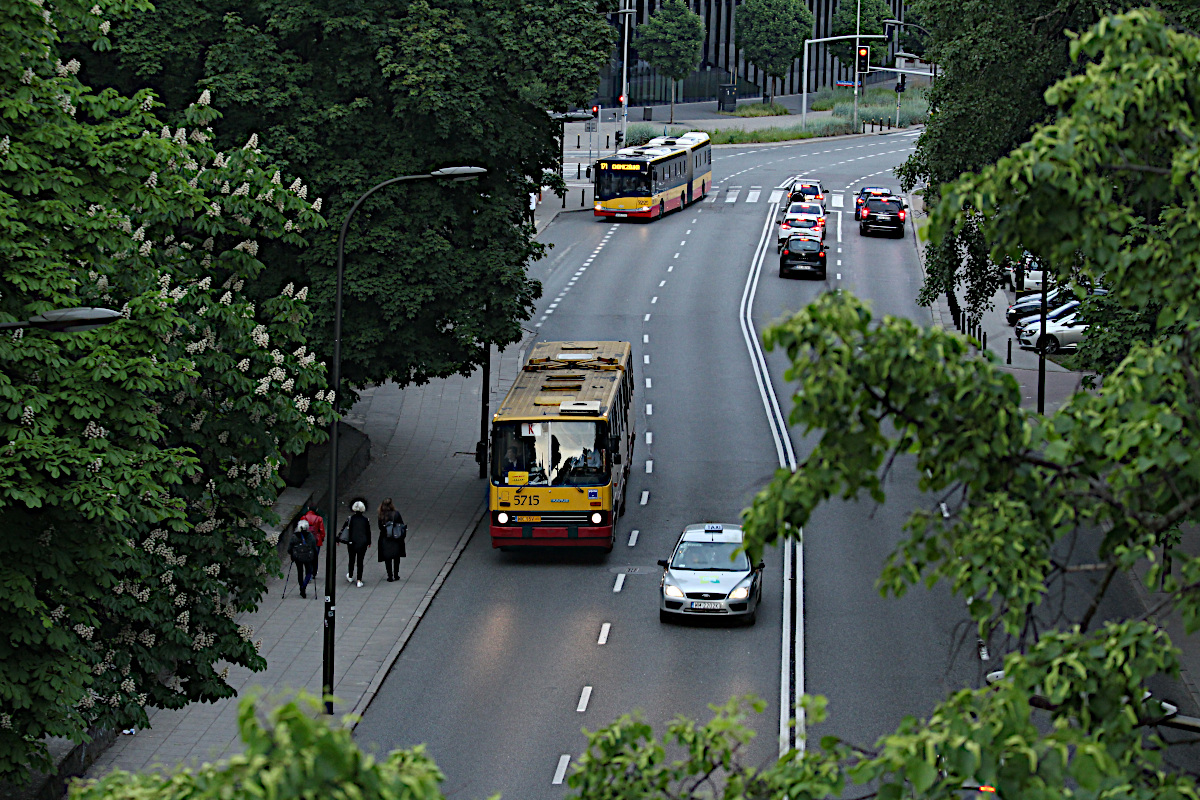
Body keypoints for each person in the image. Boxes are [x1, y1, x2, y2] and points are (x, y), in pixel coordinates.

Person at [342, 499, 371, 587]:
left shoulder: (350, 519)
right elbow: (368, 532)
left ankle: (350, 575)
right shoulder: (365, 520)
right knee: (360, 561)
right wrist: (369, 541)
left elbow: (344, 529)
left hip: (352, 542)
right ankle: (359, 580)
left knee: (351, 558)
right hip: (362, 543)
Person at [377, 498, 406, 582]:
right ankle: (396, 574)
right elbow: (401, 525)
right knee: (396, 556)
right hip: (396, 537)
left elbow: (380, 527)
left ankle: (390, 575)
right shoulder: (396, 514)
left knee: (387, 557)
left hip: (385, 537)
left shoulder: (381, 515)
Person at [288, 519, 318, 598]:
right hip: (308, 557)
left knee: (300, 571)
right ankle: (304, 585)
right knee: (309, 572)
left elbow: (289, 548)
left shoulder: (294, 536)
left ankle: (301, 586)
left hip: (298, 557)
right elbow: (314, 547)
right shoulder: (310, 536)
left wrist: (292, 554)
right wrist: (315, 555)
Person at [301, 505, 326, 575]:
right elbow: (322, 531)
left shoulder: (304, 517)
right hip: (316, 540)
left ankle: (308, 572)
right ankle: (314, 572)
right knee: (315, 556)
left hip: (306, 539)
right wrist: (322, 538)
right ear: (316, 510)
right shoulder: (319, 518)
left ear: (308, 509)